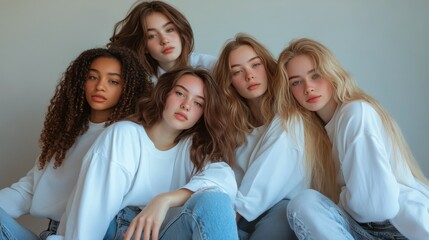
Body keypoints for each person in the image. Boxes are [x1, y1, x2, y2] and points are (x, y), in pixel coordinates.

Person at [48, 67, 238, 240]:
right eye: (180, 93)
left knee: (215, 200)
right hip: (121, 231)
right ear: (164, 94)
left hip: (163, 233)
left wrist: (164, 200)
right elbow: (92, 208)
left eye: (198, 103)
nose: (186, 105)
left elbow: (224, 180)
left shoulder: (193, 148)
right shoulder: (125, 134)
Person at [279, 38, 429, 240]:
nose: (308, 88)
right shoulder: (316, 132)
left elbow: (377, 207)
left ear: (332, 74)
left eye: (316, 75)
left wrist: (342, 199)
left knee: (304, 203)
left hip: (397, 229)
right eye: (296, 82)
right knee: (303, 203)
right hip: (363, 228)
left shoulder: (355, 113)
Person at [0, 47, 152, 240]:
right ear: (81, 82)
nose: (100, 87)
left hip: (104, 232)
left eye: (113, 81)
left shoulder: (125, 135)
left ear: (128, 89)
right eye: (92, 77)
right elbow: (28, 190)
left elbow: (99, 204)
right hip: (56, 232)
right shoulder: (67, 134)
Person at [213, 34, 337, 240]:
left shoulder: (291, 119)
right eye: (237, 71)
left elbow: (263, 181)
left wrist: (220, 223)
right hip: (245, 218)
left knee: (281, 211)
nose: (249, 76)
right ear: (230, 82)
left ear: (268, 67)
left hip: (284, 216)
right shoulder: (237, 130)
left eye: (255, 65)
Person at [108, 0, 216, 84]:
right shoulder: (144, 84)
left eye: (169, 30)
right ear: (144, 47)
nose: (164, 40)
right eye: (151, 36)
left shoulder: (211, 66)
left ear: (181, 32)